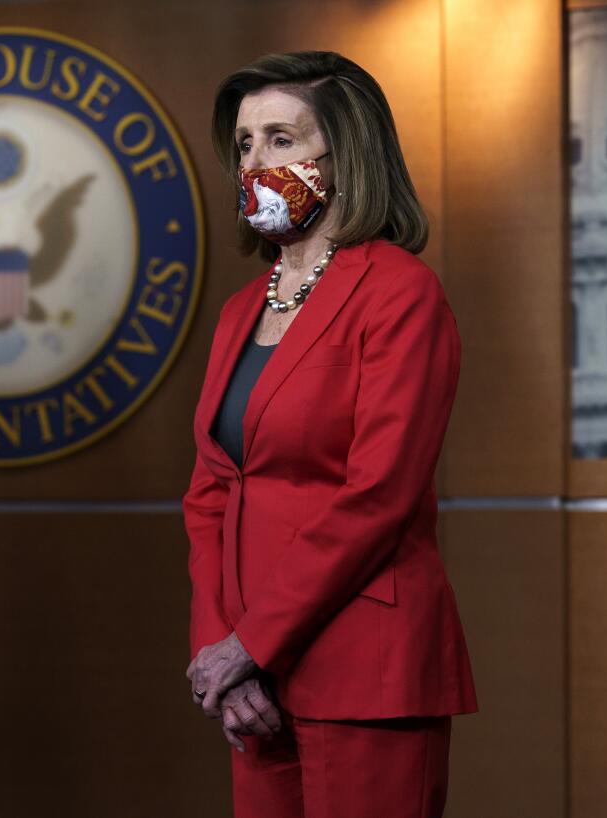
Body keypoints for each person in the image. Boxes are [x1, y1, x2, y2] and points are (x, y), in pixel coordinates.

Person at [183, 51, 477, 818]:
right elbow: (211, 495)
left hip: (364, 671)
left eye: (281, 140)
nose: (255, 162)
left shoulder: (401, 294)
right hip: (253, 687)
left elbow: (377, 495)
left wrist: (250, 645)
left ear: (344, 157)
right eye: (244, 144)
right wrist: (224, 658)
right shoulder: (239, 312)